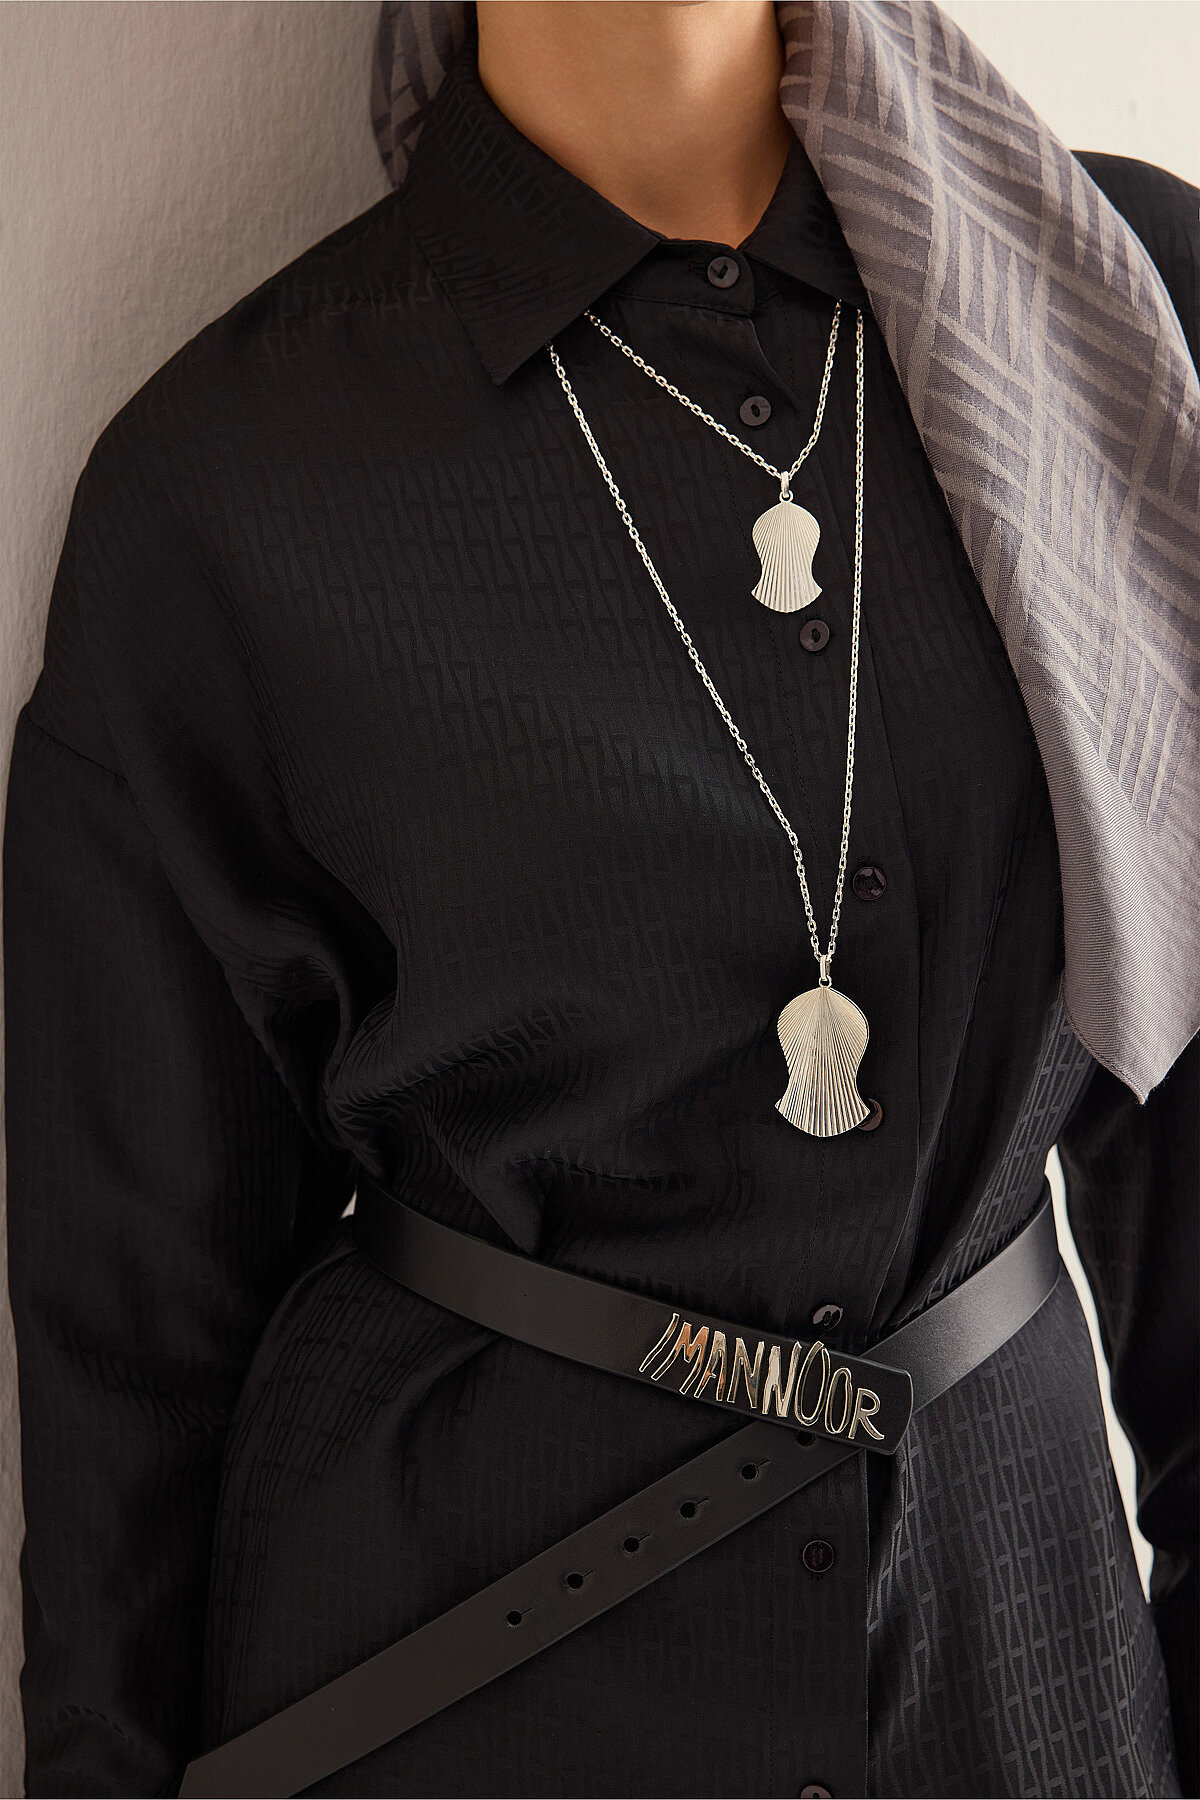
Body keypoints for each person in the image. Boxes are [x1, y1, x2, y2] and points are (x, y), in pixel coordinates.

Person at [4, 1, 1197, 1795]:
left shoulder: (1119, 306)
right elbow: (131, 1352)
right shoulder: (224, 481)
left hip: (1016, 1671)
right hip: (451, 1683)